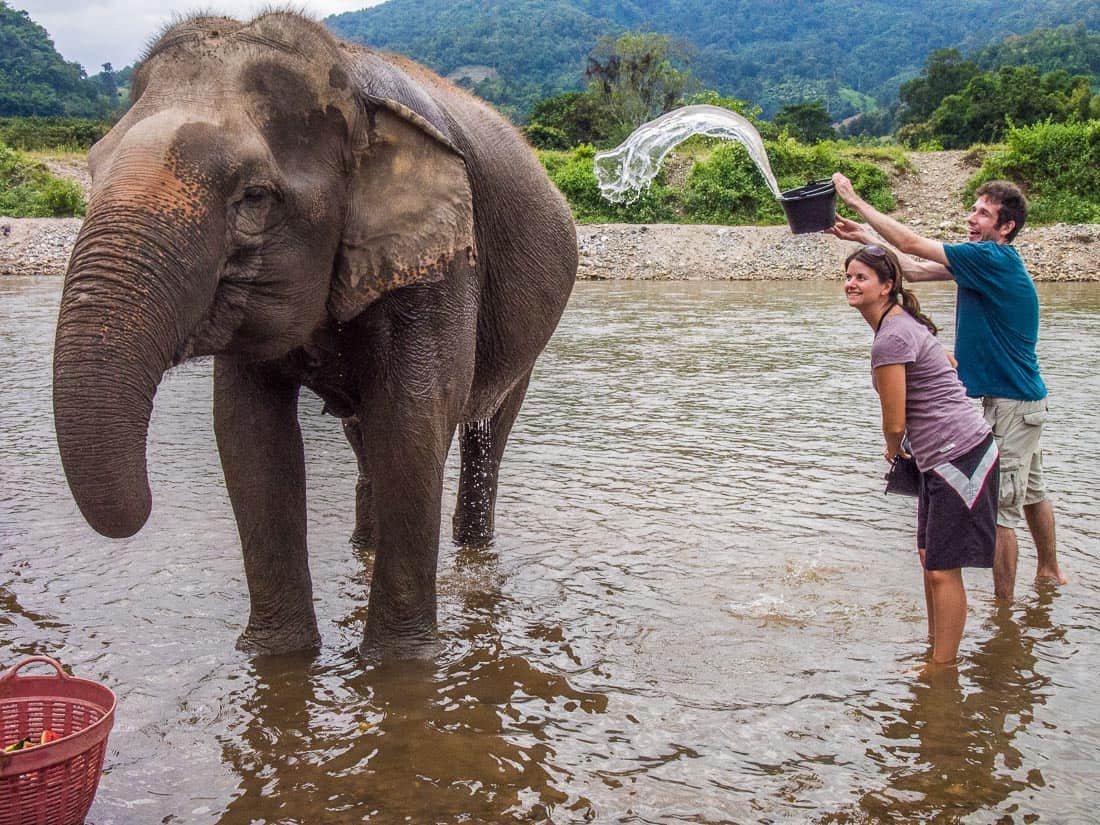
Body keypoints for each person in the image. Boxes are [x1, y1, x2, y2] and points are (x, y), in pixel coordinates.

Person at [829, 174, 1065, 602]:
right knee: (1031, 491)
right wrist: (864, 237)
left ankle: (1003, 612)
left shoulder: (990, 257)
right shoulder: (986, 264)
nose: (971, 218)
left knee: (1002, 513)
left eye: (983, 213)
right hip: (1025, 399)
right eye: (973, 209)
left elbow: (915, 246)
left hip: (1011, 402)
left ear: (1005, 226)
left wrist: (856, 200)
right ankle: (1050, 573)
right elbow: (914, 271)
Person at [845, 244, 999, 666]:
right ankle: (937, 649)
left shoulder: (891, 337)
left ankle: (942, 670)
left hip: (959, 455)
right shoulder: (901, 323)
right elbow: (945, 361)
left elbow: (894, 423)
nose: (851, 283)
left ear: (887, 286)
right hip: (940, 456)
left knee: (943, 568)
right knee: (930, 559)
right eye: (848, 275)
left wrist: (893, 453)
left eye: (861, 277)